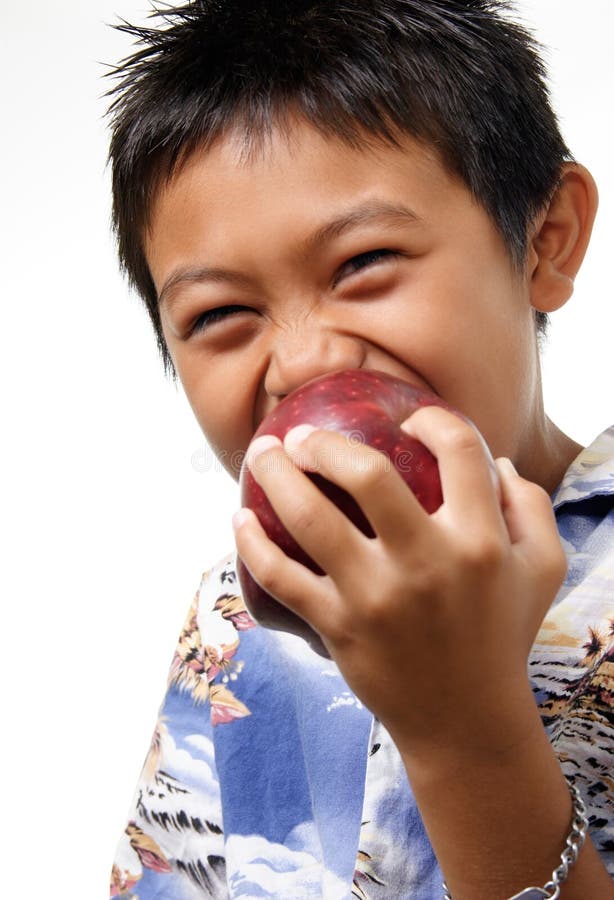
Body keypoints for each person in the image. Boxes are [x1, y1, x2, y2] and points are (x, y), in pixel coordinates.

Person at [107, 1, 614, 897]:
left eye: (363, 262)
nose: (303, 360)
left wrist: (463, 727)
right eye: (220, 314)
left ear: (547, 238)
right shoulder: (238, 619)